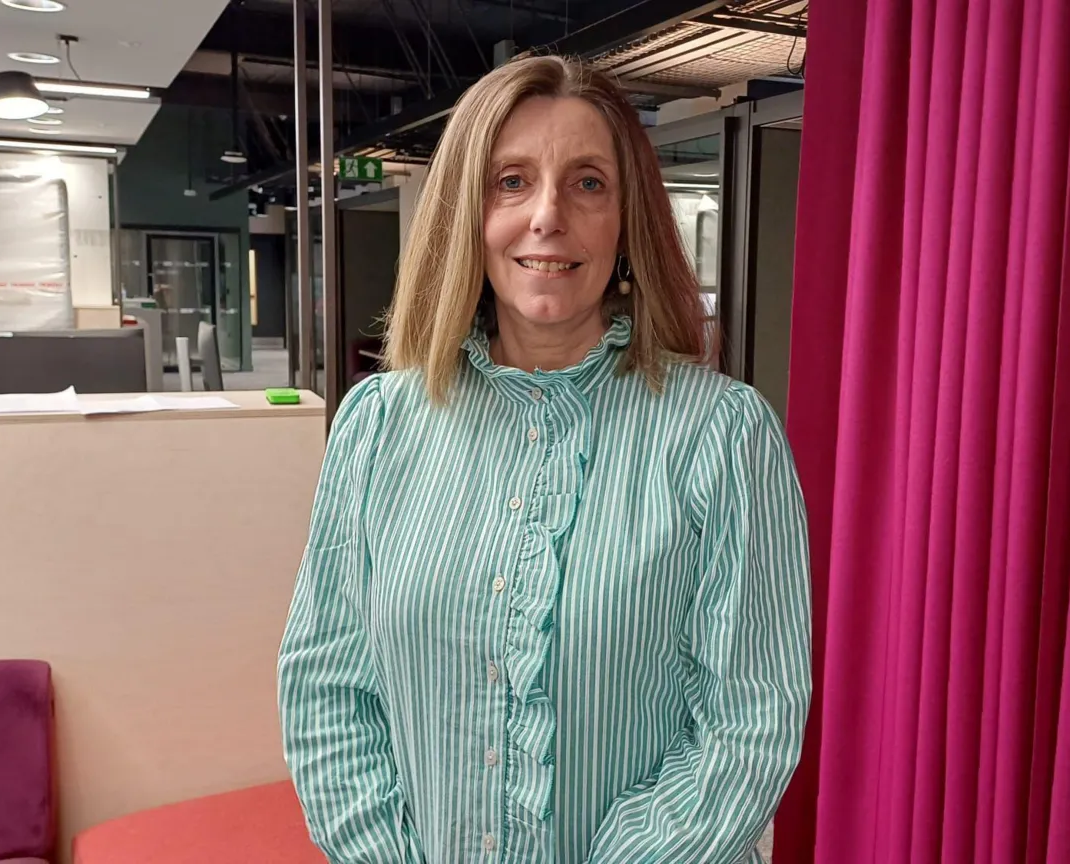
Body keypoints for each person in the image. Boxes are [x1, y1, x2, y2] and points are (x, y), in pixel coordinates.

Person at [278, 54, 811, 863]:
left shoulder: (722, 437)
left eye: (588, 183)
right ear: (468, 213)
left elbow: (749, 722)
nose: (548, 216)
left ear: (627, 219)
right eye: (512, 181)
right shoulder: (378, 427)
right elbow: (326, 686)